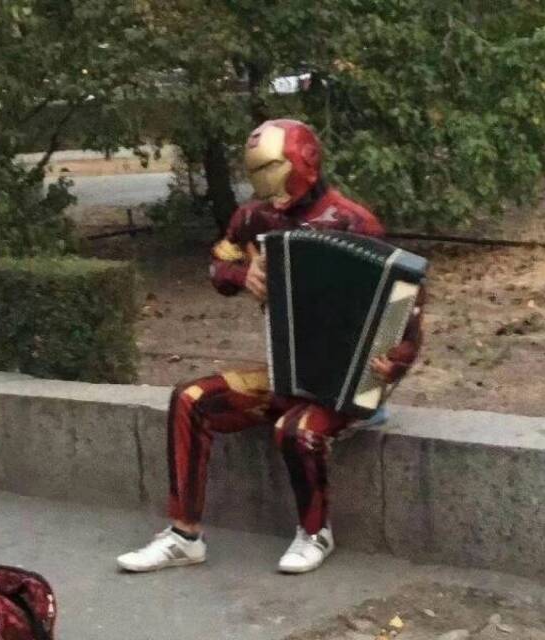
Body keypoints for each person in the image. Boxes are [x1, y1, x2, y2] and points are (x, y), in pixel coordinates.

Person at [117, 119, 424, 574]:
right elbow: (218, 265)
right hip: (288, 373)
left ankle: (315, 533)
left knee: (295, 429)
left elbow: (405, 301)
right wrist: (244, 275)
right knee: (190, 399)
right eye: (257, 171)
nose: (265, 182)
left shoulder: (354, 222)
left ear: (303, 161)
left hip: (350, 383)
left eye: (272, 167)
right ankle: (184, 536)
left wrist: (397, 360)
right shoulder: (253, 219)